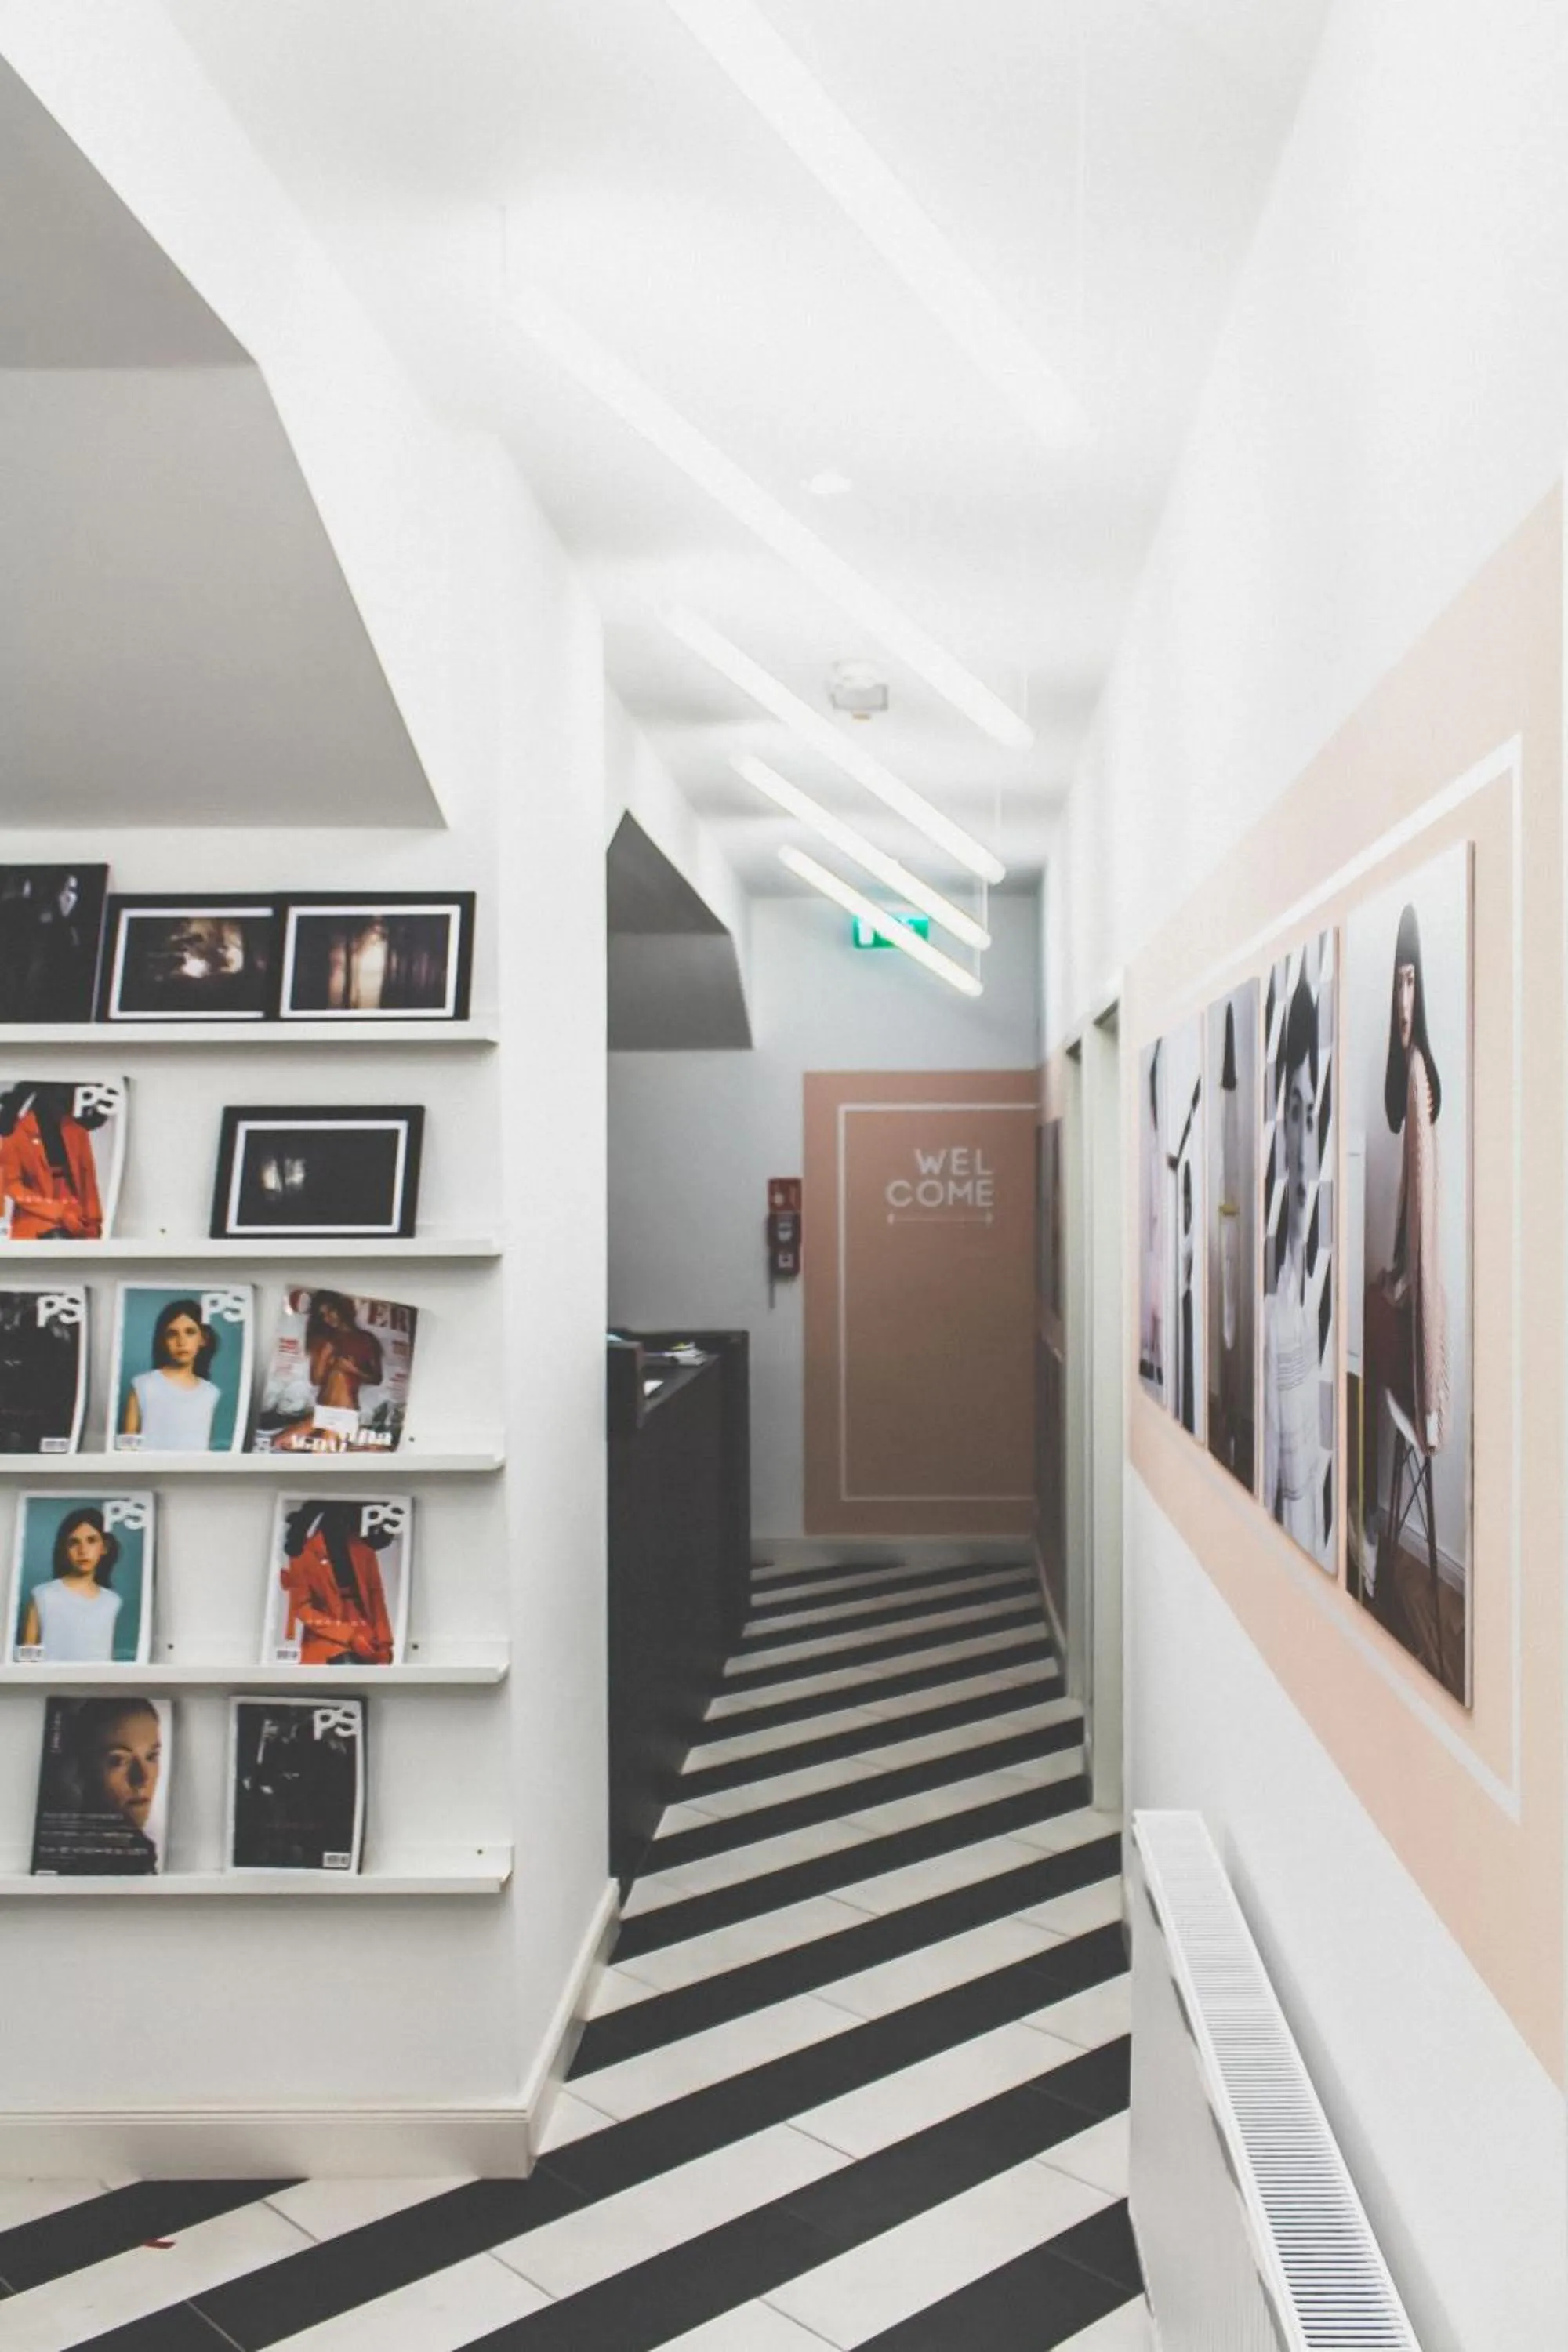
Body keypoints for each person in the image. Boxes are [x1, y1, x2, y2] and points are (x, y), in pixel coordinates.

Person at [1356, 903, 1450, 1584]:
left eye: (1413, 982)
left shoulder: (1419, 1079)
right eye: (1397, 983)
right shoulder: (1408, 1078)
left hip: (1421, 1304)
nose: (1403, 1001)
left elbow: (1424, 1226)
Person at [1263, 969, 1329, 1562]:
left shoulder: (1307, 1286)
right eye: (1294, 1111)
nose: (1304, 1147)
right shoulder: (1270, 1302)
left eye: (1312, 1120)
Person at [278, 1501, 395, 1664]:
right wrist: (348, 1635)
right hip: (325, 1634)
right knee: (346, 1665)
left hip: (365, 1629)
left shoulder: (361, 1548)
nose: (346, 1524)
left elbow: (376, 1596)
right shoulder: (303, 1552)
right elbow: (302, 1608)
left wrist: (385, 1643)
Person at [0, 1083, 105, 1240]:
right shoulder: (16, 1132)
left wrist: (94, 1224)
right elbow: (13, 1186)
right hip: (36, 1214)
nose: (66, 1101)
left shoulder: (76, 1130)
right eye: (61, 1095)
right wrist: (59, 1212)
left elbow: (87, 1181)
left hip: (76, 1214)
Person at [19, 1506, 124, 1662]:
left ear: (104, 1547)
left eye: (91, 1540)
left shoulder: (112, 1601)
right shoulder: (44, 1595)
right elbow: (26, 1658)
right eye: (74, 1542)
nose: (83, 1550)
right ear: (65, 1549)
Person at [121, 1297, 223, 1452]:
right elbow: (126, 1449)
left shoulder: (210, 1393)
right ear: (163, 1340)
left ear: (203, 1339)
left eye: (190, 1332)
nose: (181, 1341)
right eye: (172, 1334)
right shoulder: (143, 1385)